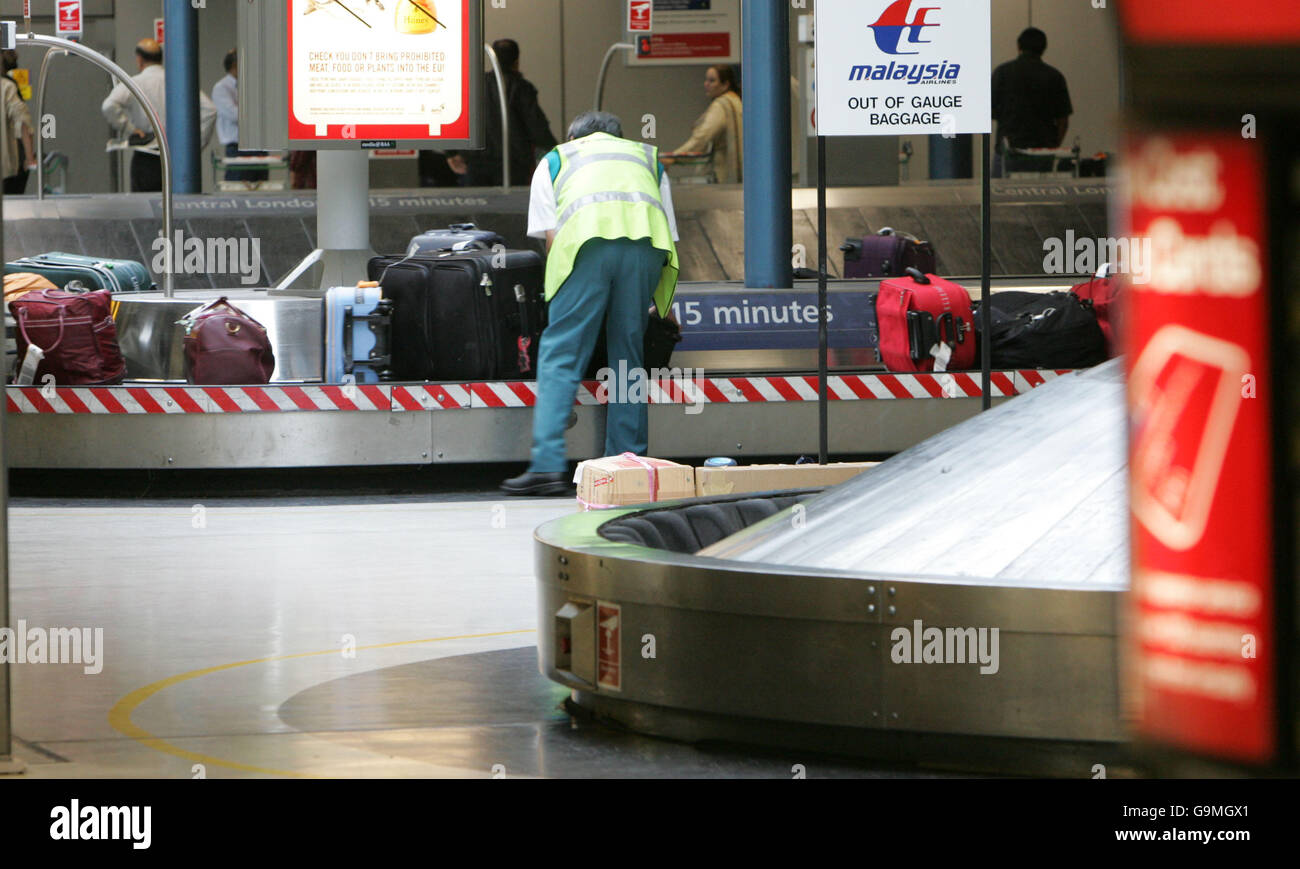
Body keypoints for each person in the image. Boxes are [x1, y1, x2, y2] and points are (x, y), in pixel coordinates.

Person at [501, 111, 680, 495]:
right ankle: (627, 464)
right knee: (628, 355)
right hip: (645, 251)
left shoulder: (556, 159)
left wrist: (567, 298)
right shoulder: (648, 158)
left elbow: (552, 239)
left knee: (561, 350)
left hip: (585, 247)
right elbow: (667, 230)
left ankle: (547, 465)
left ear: (572, 136)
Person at [101, 38, 217, 192]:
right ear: (161, 58)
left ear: (139, 59)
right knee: (176, 206)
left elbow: (109, 105)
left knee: (145, 209)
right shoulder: (178, 82)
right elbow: (210, 110)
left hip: (146, 157)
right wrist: (195, 145)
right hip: (176, 156)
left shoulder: (135, 83)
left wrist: (130, 129)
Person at [452, 39, 557, 187]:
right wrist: (556, 150)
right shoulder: (522, 88)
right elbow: (536, 126)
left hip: (476, 162)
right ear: (516, 61)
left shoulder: (474, 85)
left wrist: (451, 152)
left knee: (477, 207)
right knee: (511, 207)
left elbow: (456, 118)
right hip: (513, 164)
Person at [991, 27, 1073, 176]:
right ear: (1044, 48)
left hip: (1008, 150)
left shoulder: (1002, 72)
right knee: (1039, 195)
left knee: (1000, 196)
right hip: (1042, 152)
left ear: (1018, 46)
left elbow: (989, 111)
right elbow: (1063, 120)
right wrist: (1053, 147)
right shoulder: (1055, 76)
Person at [666, 65, 743, 184]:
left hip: (724, 177)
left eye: (712, 81)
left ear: (725, 84)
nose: (706, 84)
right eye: (706, 80)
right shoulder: (737, 101)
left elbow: (702, 137)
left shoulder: (721, 105)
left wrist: (674, 157)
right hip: (739, 175)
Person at [212, 49, 268, 184]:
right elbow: (234, 115)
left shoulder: (255, 84)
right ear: (235, 65)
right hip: (237, 147)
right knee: (237, 188)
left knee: (263, 188)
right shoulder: (222, 88)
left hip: (259, 145)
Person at [1, 49, 36, 195]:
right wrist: (30, 159)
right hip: (7, 169)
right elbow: (23, 121)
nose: (15, 54)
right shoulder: (7, 87)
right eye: (9, 51)